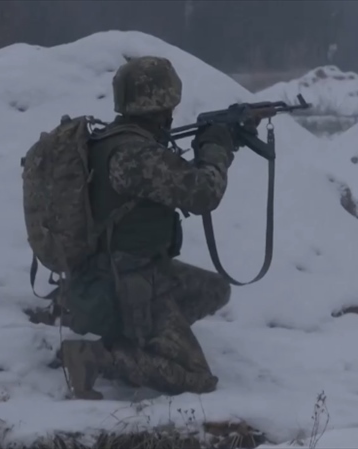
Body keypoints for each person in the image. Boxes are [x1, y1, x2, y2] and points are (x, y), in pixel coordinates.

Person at [59, 56, 236, 399]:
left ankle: (144, 335)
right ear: (163, 103)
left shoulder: (116, 141)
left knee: (214, 289)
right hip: (127, 283)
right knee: (196, 378)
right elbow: (202, 194)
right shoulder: (135, 154)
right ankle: (99, 356)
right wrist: (216, 149)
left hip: (133, 271)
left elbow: (172, 179)